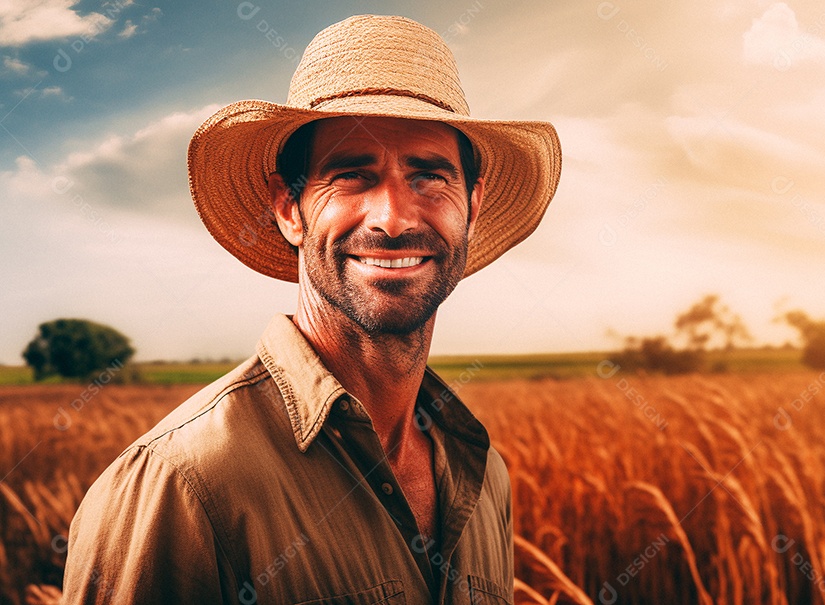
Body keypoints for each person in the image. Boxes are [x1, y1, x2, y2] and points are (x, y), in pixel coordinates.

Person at [61, 14, 561, 605]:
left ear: (471, 208)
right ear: (288, 209)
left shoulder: (483, 476)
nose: (393, 219)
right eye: (352, 176)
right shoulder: (180, 483)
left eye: (429, 176)